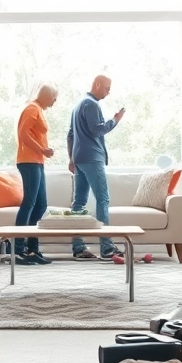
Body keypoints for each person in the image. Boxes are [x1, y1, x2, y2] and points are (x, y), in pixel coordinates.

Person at [67, 75, 125, 259]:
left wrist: (71, 158)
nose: (108, 93)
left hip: (79, 159)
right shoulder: (91, 104)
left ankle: (78, 248)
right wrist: (115, 120)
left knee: (79, 202)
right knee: (102, 200)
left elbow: (70, 135)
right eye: (107, 88)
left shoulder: (78, 105)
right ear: (97, 84)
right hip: (93, 158)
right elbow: (97, 129)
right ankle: (107, 248)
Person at [14, 84, 58, 265]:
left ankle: (32, 249)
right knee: (30, 203)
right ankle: (17, 251)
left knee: (41, 205)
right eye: (55, 97)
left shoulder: (38, 109)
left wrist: (43, 151)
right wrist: (42, 149)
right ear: (47, 95)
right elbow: (23, 134)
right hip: (28, 161)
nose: (55, 101)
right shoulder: (32, 108)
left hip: (37, 161)